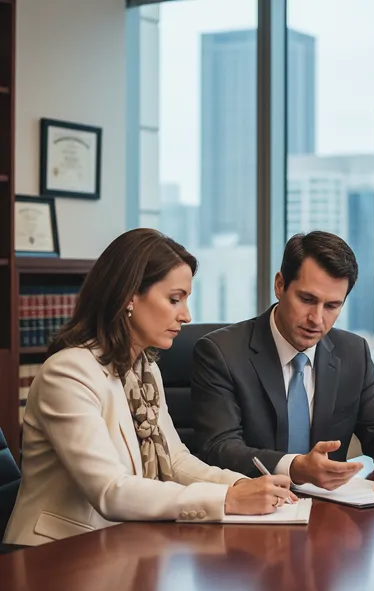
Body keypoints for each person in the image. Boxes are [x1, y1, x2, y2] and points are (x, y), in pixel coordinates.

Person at [4, 229, 294, 547]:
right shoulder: (69, 373)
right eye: (174, 299)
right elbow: (110, 490)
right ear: (129, 296)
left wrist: (241, 485)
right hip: (54, 552)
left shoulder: (145, 370)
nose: (186, 316)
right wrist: (227, 499)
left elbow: (176, 461)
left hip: (120, 544)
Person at [190, 231, 374, 493]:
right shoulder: (221, 352)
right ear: (280, 285)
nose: (317, 319)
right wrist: (294, 467)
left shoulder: (353, 352)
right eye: (307, 300)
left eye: (332, 306)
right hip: (251, 509)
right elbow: (218, 448)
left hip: (330, 514)